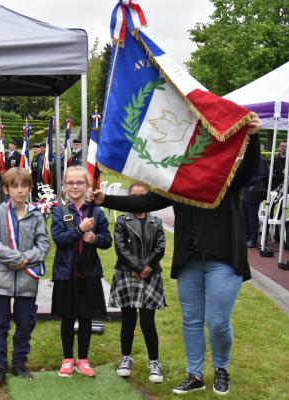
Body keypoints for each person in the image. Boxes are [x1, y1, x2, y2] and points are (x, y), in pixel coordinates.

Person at [87, 116, 262, 395]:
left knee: (217, 322)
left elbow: (250, 168)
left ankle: (221, 368)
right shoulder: (179, 182)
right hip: (190, 260)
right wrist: (105, 199)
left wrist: (253, 138)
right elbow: (145, 200)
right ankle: (195, 374)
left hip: (224, 259)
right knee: (191, 320)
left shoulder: (226, 177)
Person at [0, 167, 50, 387]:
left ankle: (19, 363)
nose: (20, 191)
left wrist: (26, 258)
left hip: (27, 280)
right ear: (6, 189)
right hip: (1, 280)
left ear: (30, 189)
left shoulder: (37, 216)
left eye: (24, 186)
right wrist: (16, 257)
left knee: (25, 323)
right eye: (15, 187)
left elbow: (43, 245)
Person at [52, 166, 112, 378]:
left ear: (87, 185)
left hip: (90, 272)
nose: (75, 186)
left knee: (86, 316)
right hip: (65, 272)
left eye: (80, 182)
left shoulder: (96, 211)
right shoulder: (60, 212)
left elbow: (107, 240)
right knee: (68, 317)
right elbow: (59, 239)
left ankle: (83, 359)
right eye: (70, 183)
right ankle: (68, 359)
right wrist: (80, 230)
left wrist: (95, 238)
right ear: (64, 187)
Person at [111, 183, 166, 382]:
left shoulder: (156, 222)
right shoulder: (122, 221)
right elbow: (120, 247)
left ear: (149, 198)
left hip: (150, 274)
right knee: (128, 320)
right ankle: (125, 358)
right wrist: (136, 267)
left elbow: (160, 247)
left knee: (147, 322)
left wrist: (146, 266)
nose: (137, 200)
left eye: (141, 196)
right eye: (133, 196)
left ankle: (154, 362)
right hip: (127, 273)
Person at [241, 157, 269, 248]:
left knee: (252, 217)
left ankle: (253, 239)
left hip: (253, 192)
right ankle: (246, 237)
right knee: (244, 216)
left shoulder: (261, 161)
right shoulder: (244, 160)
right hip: (243, 192)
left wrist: (247, 180)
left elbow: (264, 176)